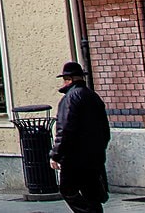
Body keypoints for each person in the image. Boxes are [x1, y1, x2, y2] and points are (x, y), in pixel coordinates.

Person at [50, 61, 110, 213]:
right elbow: (105, 130)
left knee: (68, 190)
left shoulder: (69, 98)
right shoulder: (93, 96)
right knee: (92, 194)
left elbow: (64, 130)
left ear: (68, 79)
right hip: (94, 157)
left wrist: (55, 155)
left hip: (74, 158)